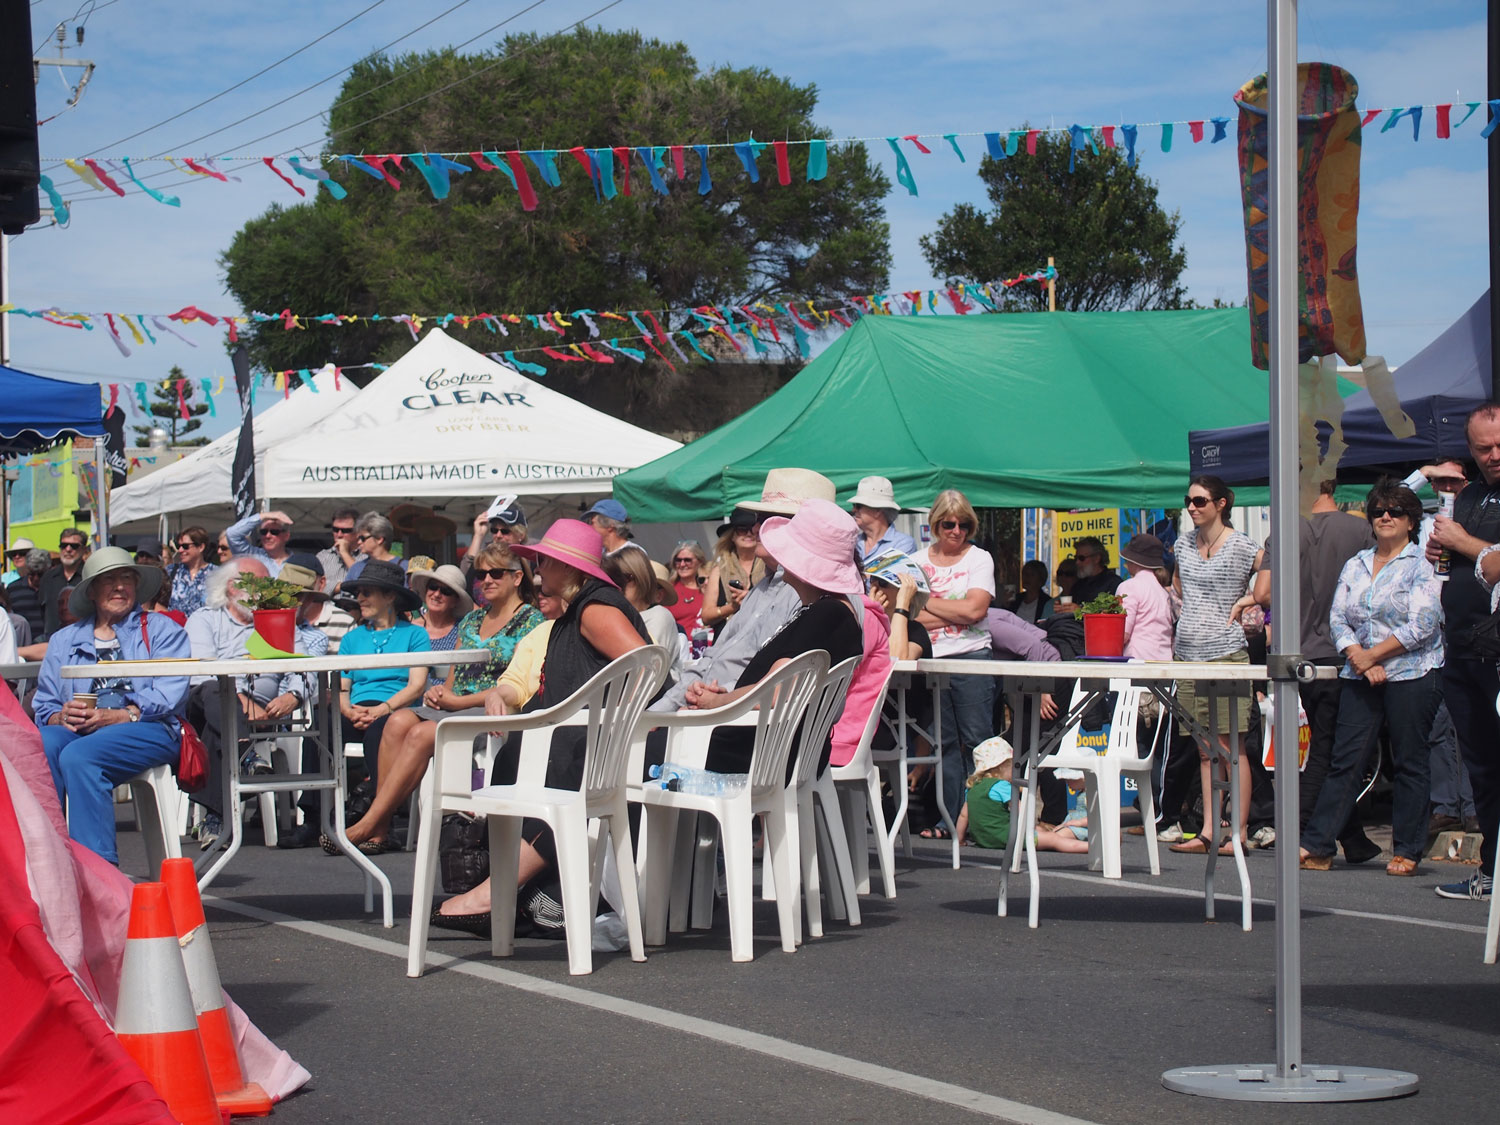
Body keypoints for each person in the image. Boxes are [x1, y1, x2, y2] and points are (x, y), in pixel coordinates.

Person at [432, 519, 649, 934]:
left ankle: (495, 891)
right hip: (571, 742)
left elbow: (645, 665)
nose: (537, 571)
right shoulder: (576, 614)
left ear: (568, 568)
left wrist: (611, 720)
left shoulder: (596, 608)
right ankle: (518, 891)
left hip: (586, 750)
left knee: (543, 771)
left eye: (545, 562)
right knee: (517, 761)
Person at [1300, 483, 1443, 876]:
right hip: (1359, 672)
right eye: (1378, 510)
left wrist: (1372, 655)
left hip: (1413, 672)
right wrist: (1359, 659)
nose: (1385, 516)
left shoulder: (1422, 563)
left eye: (1395, 511)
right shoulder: (1356, 562)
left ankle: (1409, 848)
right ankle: (1318, 844)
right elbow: (1338, 617)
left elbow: (1424, 624)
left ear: (1411, 520)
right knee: (1345, 760)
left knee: (1409, 761)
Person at [685, 499, 867, 781]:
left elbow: (777, 690)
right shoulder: (824, 610)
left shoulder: (827, 613)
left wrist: (715, 704)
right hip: (765, 748)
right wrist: (724, 697)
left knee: (630, 751)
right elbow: (776, 687)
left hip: (757, 754)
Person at [32, 547, 191, 864]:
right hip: (81, 729)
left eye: (126, 578)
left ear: (136, 585)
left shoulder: (161, 630)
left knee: (80, 756)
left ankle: (97, 870)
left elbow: (171, 694)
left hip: (149, 727)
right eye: (109, 580)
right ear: (91, 590)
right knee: (43, 744)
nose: (119, 586)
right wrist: (59, 715)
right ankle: (48, 859)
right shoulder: (65, 640)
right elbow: (44, 705)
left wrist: (123, 714)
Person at [1248, 478, 1378, 858]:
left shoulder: (1285, 530)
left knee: (1321, 749)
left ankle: (1352, 839)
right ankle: (1303, 832)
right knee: (1328, 750)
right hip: (1344, 652)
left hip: (1297, 653)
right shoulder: (1360, 529)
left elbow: (1263, 593)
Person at [651, 468, 836, 713]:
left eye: (765, 520)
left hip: (735, 721)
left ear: (799, 529)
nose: (754, 529)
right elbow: (710, 661)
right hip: (710, 711)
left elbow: (783, 684)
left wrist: (717, 698)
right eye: (754, 521)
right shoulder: (763, 588)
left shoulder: (808, 594)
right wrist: (659, 711)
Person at [182, 559, 323, 844]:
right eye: (257, 584)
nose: (264, 591)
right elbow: (200, 671)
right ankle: (247, 753)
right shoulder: (205, 618)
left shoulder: (276, 622)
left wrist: (292, 695)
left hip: (259, 713)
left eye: (268, 584)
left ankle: (215, 820)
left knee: (220, 729)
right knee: (215, 692)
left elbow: (306, 665)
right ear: (233, 587)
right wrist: (242, 702)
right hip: (207, 700)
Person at [1170, 475, 1263, 856]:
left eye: (1200, 501)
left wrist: (1250, 600)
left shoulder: (1242, 545)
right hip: (1188, 654)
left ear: (1221, 504)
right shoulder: (1182, 543)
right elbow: (1177, 584)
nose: (1192, 507)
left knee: (1230, 745)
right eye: (1189, 501)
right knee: (1204, 748)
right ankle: (1210, 829)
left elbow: (1273, 570)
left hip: (1226, 652)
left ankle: (1239, 830)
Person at [915, 489, 996, 827]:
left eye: (964, 524)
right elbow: (907, 619)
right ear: (936, 524)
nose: (957, 531)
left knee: (979, 741)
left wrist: (928, 601)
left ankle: (985, 819)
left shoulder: (979, 558)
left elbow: (976, 609)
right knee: (943, 744)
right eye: (949, 524)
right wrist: (957, 611)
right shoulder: (917, 561)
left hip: (971, 656)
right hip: (933, 659)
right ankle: (950, 820)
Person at [605, 547, 682, 680]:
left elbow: (649, 673)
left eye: (621, 578)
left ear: (640, 578)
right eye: (611, 579)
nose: (615, 585)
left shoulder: (658, 616)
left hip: (654, 697)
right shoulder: (613, 615)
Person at [701, 509, 767, 634]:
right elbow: (706, 616)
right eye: (742, 529)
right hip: (726, 641)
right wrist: (733, 607)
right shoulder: (719, 570)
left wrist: (750, 600)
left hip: (761, 637)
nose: (749, 533)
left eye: (752, 529)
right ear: (732, 535)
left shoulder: (769, 567)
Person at [1118, 534, 1175, 662]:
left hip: (1136, 663)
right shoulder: (1163, 593)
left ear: (1133, 561)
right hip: (1164, 664)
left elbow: (1122, 633)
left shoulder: (1129, 586)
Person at [955, 737, 1013, 850]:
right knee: (1051, 838)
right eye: (1012, 767)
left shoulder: (973, 787)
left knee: (1042, 832)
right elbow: (1020, 809)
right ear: (1001, 767)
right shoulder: (1002, 786)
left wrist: (960, 840)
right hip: (1005, 836)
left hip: (982, 839)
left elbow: (963, 816)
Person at [849, 475, 917, 567]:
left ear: (878, 511)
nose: (853, 510)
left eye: (858, 505)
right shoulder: (852, 541)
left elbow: (896, 577)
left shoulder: (903, 543)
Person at [460, 497, 528, 580]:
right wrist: (478, 535)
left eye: (505, 531)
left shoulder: (531, 559)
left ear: (521, 535)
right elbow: (465, 576)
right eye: (494, 530)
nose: (498, 535)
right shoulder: (486, 555)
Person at [41, 527, 90, 638]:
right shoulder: (48, 578)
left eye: (74, 546)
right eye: (64, 545)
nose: (68, 549)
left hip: (83, 640)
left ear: (83, 549)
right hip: (53, 641)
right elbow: (42, 612)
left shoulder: (89, 576)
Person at [225, 510, 296, 577]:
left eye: (274, 532)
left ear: (286, 536)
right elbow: (232, 534)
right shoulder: (252, 556)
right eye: (264, 532)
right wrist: (264, 516)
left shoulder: (297, 562)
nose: (268, 536)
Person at [166, 525, 217, 617]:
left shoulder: (216, 573)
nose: (180, 550)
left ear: (201, 547)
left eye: (185, 546)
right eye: (178, 546)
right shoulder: (171, 571)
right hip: (175, 629)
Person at [343, 512, 404, 585]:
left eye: (362, 538)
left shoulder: (405, 567)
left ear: (379, 539)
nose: (359, 542)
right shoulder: (356, 568)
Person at [667, 540, 708, 636]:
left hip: (707, 645)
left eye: (687, 560)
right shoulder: (668, 590)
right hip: (680, 646)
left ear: (700, 561)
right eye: (678, 560)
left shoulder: (708, 587)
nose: (682, 564)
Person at [317, 507, 362, 591]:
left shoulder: (366, 556)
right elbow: (315, 587)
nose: (339, 534)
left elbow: (363, 580)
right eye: (335, 529)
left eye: (346, 530)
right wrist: (338, 587)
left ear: (358, 532)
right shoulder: (322, 556)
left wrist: (344, 553)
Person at [9, 548, 50, 640]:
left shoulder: (54, 587)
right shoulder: (13, 588)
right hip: (22, 643)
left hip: (48, 643)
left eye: (40, 574)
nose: (36, 578)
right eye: (31, 574)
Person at [1068, 536, 1122, 605]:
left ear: (1097, 558)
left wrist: (1080, 611)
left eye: (1081, 558)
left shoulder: (1113, 583)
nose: (1077, 562)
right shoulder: (1078, 586)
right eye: (1076, 558)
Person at [1009, 560, 1053, 624]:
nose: (1026, 577)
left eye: (1031, 575)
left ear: (1040, 579)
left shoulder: (1046, 603)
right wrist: (1005, 605)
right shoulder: (1016, 599)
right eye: (1024, 574)